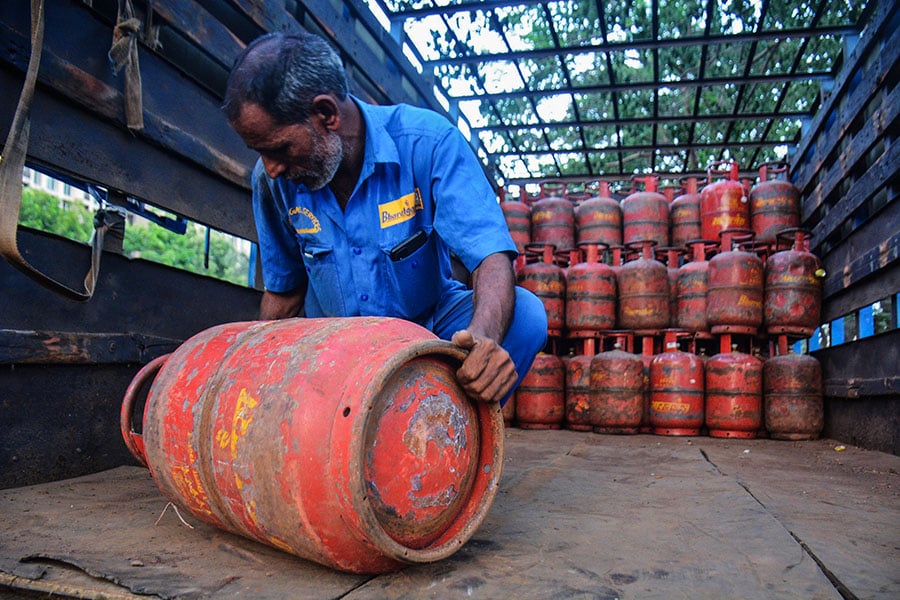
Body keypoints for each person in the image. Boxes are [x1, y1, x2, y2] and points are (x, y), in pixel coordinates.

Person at [222, 31, 547, 405]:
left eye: (278, 148)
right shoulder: (271, 182)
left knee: (526, 316)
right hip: (334, 349)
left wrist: (484, 340)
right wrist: (254, 375)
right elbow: (285, 291)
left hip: (427, 331)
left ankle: (450, 429)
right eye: (259, 152)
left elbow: (490, 257)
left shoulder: (429, 144)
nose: (271, 168)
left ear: (326, 114)